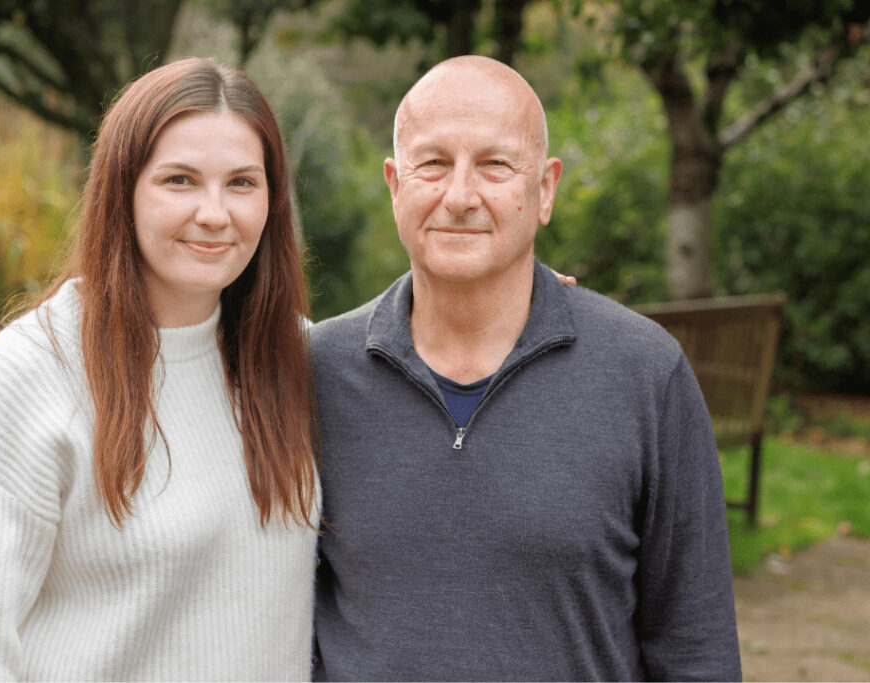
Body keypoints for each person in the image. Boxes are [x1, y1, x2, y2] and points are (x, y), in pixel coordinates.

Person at [310, 55, 741, 681]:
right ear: (395, 185)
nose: (459, 196)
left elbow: (696, 648)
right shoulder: (315, 373)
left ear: (544, 190)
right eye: (432, 163)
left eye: (494, 165)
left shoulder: (646, 373)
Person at [0, 57, 318, 680]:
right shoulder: (28, 378)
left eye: (242, 182)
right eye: (179, 180)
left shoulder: (300, 361)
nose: (215, 213)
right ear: (121, 190)